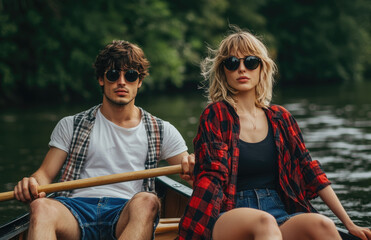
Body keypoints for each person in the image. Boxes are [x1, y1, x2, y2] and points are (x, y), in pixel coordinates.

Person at [178, 27, 371, 240]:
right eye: (232, 63)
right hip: (229, 213)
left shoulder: (281, 118)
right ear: (223, 71)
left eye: (250, 62)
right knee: (264, 222)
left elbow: (310, 171)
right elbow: (211, 178)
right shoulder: (216, 114)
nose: (242, 69)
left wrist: (349, 224)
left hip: (278, 211)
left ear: (262, 68)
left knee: (322, 224)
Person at [14, 40, 194, 240]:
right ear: (101, 79)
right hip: (74, 210)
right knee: (40, 206)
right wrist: (31, 183)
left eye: (131, 75)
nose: (122, 82)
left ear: (139, 82)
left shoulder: (162, 130)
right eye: (113, 74)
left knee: (148, 201)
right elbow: (44, 175)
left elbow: (193, 173)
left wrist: (193, 167)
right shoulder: (71, 125)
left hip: (126, 211)